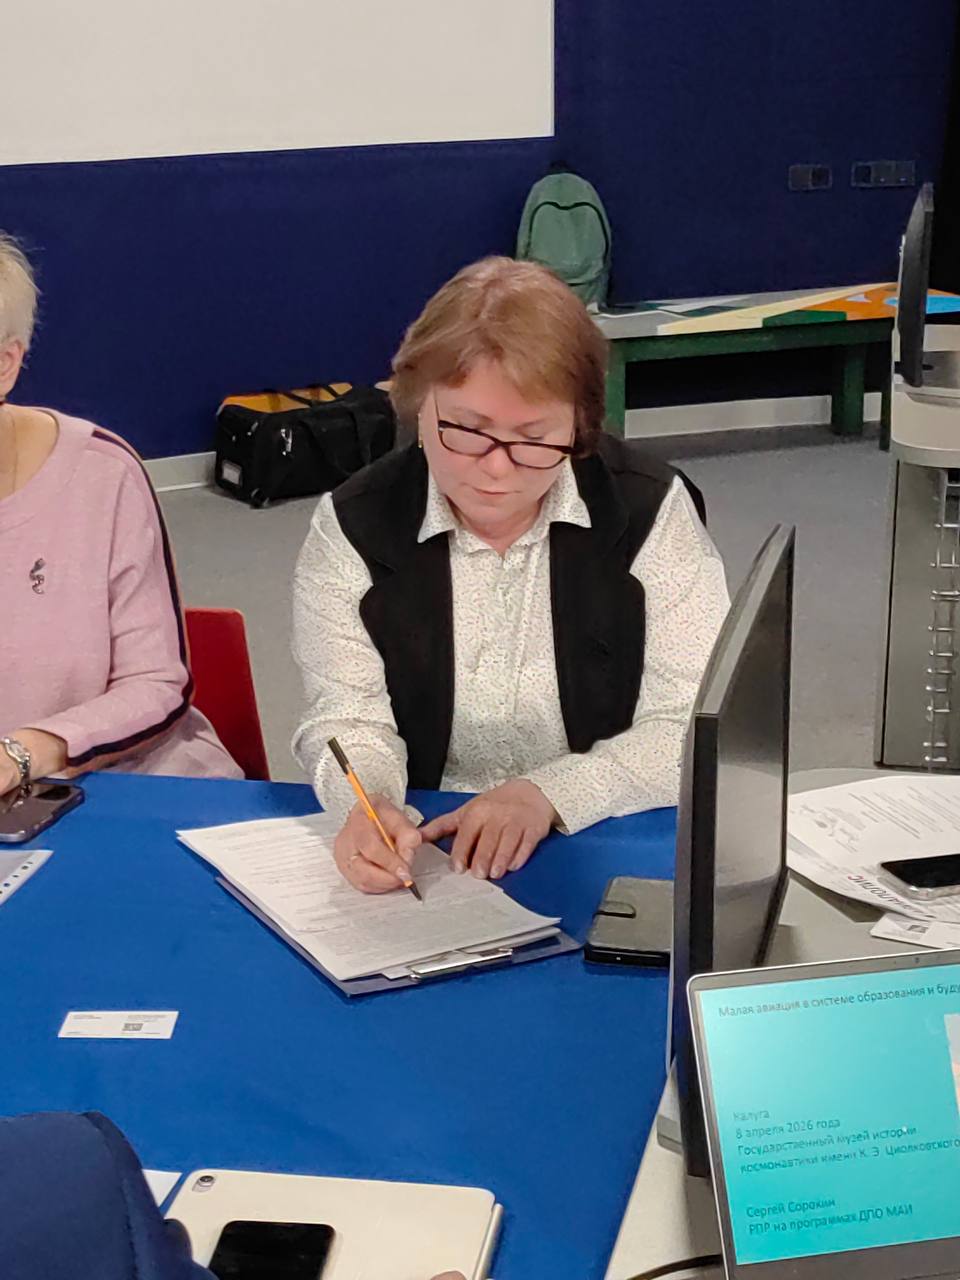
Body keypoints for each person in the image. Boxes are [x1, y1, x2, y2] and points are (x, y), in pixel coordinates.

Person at [293, 256, 729, 891]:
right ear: (417, 407)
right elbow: (346, 716)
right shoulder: (353, 525)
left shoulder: (650, 510)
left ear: (579, 425)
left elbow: (692, 724)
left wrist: (549, 794)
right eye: (466, 431)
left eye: (533, 437)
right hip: (431, 847)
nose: (496, 468)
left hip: (605, 830)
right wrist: (369, 804)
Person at [0, 233, 241, 795]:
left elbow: (155, 682)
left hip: (125, 784)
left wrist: (26, 751)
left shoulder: (101, 475)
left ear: (5, 364)